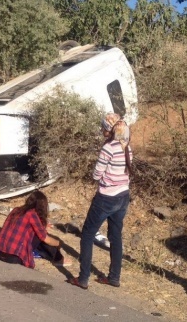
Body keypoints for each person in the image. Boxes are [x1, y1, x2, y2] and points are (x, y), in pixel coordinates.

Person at [68, 113, 133, 290]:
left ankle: (83, 278)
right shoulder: (126, 147)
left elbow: (97, 173)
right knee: (115, 236)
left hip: (106, 197)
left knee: (88, 234)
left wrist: (101, 175)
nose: (102, 130)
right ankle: (114, 277)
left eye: (103, 127)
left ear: (109, 129)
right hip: (123, 196)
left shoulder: (108, 148)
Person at [0, 191, 70, 268]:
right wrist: (58, 243)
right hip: (14, 256)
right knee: (41, 237)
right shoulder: (32, 214)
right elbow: (45, 238)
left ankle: (51, 256)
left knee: (38, 235)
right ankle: (58, 259)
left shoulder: (16, 210)